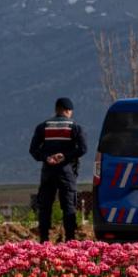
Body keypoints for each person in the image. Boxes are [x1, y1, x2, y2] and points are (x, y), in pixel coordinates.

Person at [29, 97, 88, 242]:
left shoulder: (43, 127)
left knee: (45, 207)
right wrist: (65, 156)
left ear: (56, 109)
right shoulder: (75, 127)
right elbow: (83, 149)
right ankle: (70, 240)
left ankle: (44, 240)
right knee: (68, 206)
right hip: (66, 172)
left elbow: (33, 150)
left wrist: (46, 157)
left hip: (48, 172)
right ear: (68, 110)